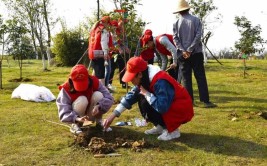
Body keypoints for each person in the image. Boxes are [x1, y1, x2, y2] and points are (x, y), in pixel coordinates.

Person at [103, 57, 194, 141]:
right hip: (168, 105)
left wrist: (147, 94)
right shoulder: (144, 79)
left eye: (131, 78)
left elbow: (163, 107)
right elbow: (130, 97)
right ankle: (160, 126)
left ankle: (173, 131)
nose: (131, 81)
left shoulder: (160, 81)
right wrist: (113, 115)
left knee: (145, 96)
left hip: (180, 108)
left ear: (139, 74)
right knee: (142, 97)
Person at [172, 0, 217, 108]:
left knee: (186, 78)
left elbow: (175, 38)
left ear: (179, 11)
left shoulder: (176, 23)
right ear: (188, 9)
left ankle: (189, 101)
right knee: (200, 76)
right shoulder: (196, 20)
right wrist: (190, 49)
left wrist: (183, 50)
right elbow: (198, 36)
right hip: (196, 52)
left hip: (183, 54)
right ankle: (205, 101)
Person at [56, 64, 114, 135]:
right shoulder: (65, 89)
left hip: (91, 115)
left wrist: (99, 106)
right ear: (71, 80)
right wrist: (77, 119)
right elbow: (63, 111)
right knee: (82, 99)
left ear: (88, 77)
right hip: (78, 118)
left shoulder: (95, 81)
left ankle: (99, 121)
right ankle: (75, 125)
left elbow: (109, 97)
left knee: (98, 95)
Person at [88, 16, 113, 88]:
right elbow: (103, 42)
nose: (109, 26)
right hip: (100, 54)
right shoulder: (104, 30)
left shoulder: (95, 28)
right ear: (105, 23)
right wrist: (105, 54)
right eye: (108, 24)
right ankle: (102, 92)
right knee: (101, 75)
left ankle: (91, 89)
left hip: (93, 54)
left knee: (95, 73)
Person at [108, 19, 130, 90]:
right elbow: (113, 43)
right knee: (112, 68)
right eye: (121, 24)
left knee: (122, 67)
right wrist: (119, 49)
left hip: (121, 52)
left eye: (123, 24)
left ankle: (124, 83)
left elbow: (124, 41)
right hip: (113, 52)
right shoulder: (112, 33)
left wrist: (126, 48)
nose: (122, 26)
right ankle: (109, 84)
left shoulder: (122, 32)